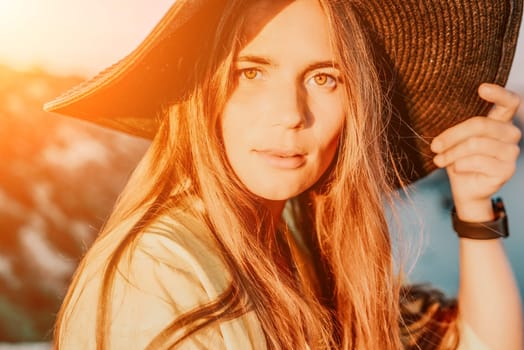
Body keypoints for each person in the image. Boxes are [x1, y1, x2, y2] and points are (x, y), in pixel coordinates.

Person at [44, 0, 523, 349]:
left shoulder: (304, 244)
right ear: (200, 89)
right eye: (250, 72)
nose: (292, 114)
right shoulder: (159, 272)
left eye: (324, 78)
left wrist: (473, 202)